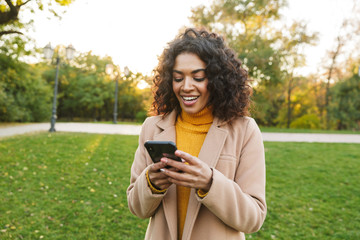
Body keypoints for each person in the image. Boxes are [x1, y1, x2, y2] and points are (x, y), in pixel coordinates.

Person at [127, 28, 266, 240]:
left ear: (218, 80)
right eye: (178, 78)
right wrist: (151, 183)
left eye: (198, 77)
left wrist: (209, 182)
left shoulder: (244, 130)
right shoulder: (152, 127)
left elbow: (253, 218)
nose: (186, 87)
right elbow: (137, 208)